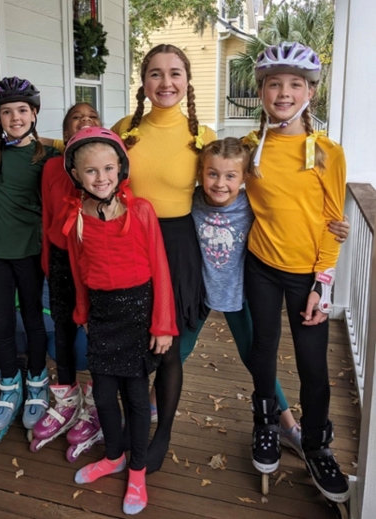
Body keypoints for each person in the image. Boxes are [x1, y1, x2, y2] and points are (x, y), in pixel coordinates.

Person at [242, 42, 349, 509]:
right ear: (262, 90)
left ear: (310, 92)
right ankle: (266, 423)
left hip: (307, 275)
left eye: (295, 84)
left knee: (312, 365)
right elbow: (217, 185)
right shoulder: (248, 148)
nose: (283, 92)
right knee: (262, 350)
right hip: (260, 266)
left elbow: (333, 220)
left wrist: (323, 283)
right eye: (273, 84)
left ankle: (317, 445)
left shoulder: (327, 152)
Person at [111, 43, 216, 473]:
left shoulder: (201, 136)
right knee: (128, 344)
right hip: (127, 241)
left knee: (168, 347)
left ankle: (163, 433)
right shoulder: (124, 128)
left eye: (175, 73)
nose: (166, 82)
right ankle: (130, 425)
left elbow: (229, 190)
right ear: (144, 81)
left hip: (175, 245)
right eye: (156, 73)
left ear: (187, 80)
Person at [62, 127, 178, 515]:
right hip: (102, 314)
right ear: (77, 175)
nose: (101, 177)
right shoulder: (76, 216)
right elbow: (80, 271)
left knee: (135, 396)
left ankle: (137, 469)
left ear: (120, 168)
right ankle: (112, 456)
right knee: (103, 394)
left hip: (138, 312)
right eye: (91, 171)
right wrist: (84, 314)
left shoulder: (141, 210)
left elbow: (160, 268)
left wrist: (162, 325)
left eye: (108, 168)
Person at [192, 136, 304, 454]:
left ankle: (287, 425)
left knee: (256, 358)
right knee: (177, 351)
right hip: (199, 292)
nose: (220, 183)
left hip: (240, 295)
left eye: (230, 176)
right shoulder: (190, 201)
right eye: (212, 173)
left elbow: (294, 215)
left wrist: (334, 225)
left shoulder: (253, 207)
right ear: (201, 172)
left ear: (243, 179)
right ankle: (153, 409)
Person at [0, 77, 58, 444]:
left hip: (29, 251)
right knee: (1, 321)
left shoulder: (48, 158)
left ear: (34, 113)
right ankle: (9, 385)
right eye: (7, 111)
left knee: (32, 317)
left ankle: (37, 383)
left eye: (22, 110)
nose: (15, 117)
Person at [31, 102, 102, 456]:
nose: (86, 121)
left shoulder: (108, 165)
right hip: (60, 257)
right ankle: (66, 396)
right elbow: (47, 214)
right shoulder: (51, 169)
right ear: (65, 133)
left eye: (93, 118)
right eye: (78, 118)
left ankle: (98, 403)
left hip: (97, 257)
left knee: (98, 330)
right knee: (62, 327)